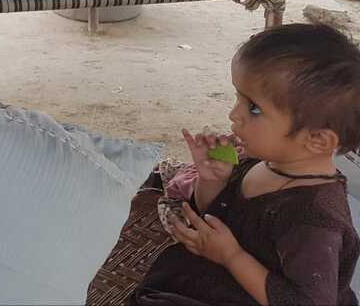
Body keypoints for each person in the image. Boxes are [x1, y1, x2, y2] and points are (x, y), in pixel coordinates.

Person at [134, 23, 360, 305]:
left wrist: (231, 256)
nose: (234, 114)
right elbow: (219, 215)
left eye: (253, 108)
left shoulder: (312, 219)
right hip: (208, 283)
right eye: (238, 98)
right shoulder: (260, 161)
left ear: (316, 140)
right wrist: (212, 181)